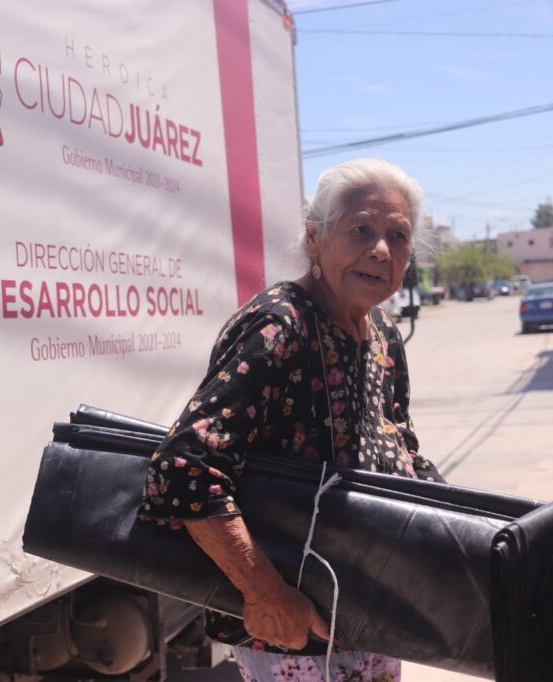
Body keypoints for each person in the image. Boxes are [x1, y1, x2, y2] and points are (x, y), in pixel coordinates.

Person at [140, 158, 442, 682]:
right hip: (293, 634)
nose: (380, 250)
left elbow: (404, 450)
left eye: (397, 236)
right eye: (361, 230)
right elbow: (185, 467)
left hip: (370, 621)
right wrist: (266, 594)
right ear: (314, 238)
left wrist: (469, 532)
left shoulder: (383, 335)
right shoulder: (280, 325)